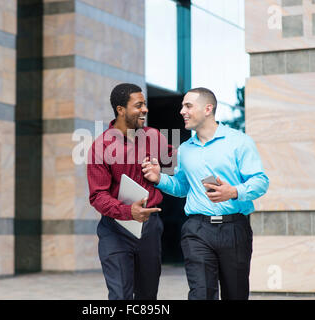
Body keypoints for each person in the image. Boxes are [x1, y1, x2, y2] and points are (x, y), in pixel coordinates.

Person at [142, 87, 269, 300]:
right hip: (197, 230)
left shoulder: (239, 141)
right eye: (182, 106)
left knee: (235, 294)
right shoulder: (185, 149)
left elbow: (260, 182)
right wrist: (159, 178)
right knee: (201, 294)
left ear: (208, 109)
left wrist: (233, 191)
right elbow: (183, 187)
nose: (182, 111)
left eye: (188, 106)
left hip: (234, 229)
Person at [87, 83, 175, 300]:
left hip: (149, 229)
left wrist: (160, 169)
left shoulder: (155, 137)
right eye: (138, 105)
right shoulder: (101, 147)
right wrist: (128, 212)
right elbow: (97, 196)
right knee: (120, 296)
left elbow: (177, 166)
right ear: (121, 110)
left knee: (147, 296)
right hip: (115, 230)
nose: (145, 109)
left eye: (144, 104)